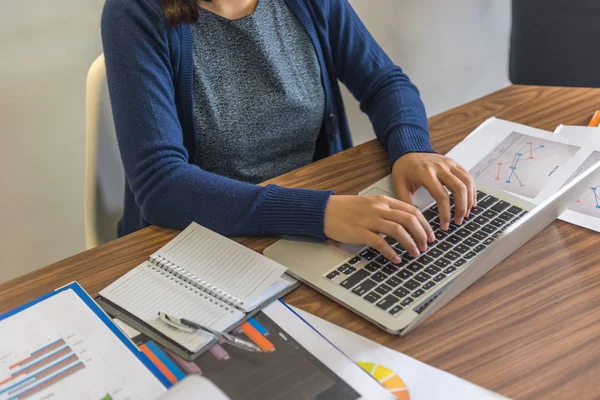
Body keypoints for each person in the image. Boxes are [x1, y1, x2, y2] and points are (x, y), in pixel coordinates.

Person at [101, 0, 476, 263]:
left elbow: (383, 82)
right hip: (204, 238)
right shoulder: (133, 11)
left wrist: (411, 148)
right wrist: (318, 213)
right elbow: (161, 185)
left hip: (315, 220)